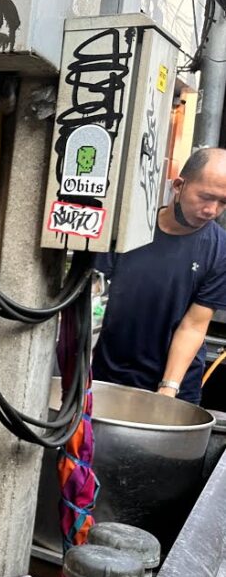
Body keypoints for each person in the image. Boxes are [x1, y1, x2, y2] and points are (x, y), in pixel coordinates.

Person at [93, 148, 226, 404]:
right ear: (179, 185)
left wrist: (168, 389)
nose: (212, 210)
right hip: (104, 376)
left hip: (174, 386)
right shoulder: (126, 229)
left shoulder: (219, 251)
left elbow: (194, 325)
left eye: (223, 202)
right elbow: (95, 297)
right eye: (206, 197)